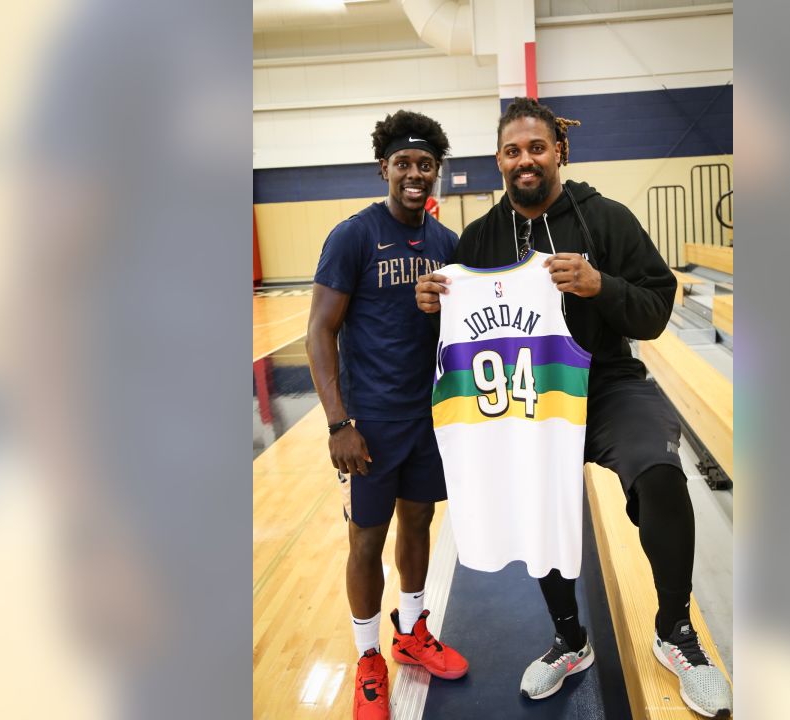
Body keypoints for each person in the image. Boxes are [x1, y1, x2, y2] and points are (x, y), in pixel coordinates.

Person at [415, 97, 733, 717]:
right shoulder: (480, 238)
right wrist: (432, 303)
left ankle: (675, 630)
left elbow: (656, 307)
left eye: (536, 147)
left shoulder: (606, 219)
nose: (525, 160)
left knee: (662, 472)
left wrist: (600, 285)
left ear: (558, 151)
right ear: (499, 161)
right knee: (539, 500)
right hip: (527, 394)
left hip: (609, 381)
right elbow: (459, 333)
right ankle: (569, 639)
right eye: (512, 151)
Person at [307, 109, 469, 720]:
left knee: (419, 524)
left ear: (436, 173)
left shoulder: (444, 244)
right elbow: (319, 332)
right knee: (366, 540)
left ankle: (413, 629)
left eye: (425, 164)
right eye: (403, 163)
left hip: (427, 420)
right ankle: (368, 655)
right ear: (384, 168)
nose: (415, 173)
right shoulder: (353, 236)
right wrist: (338, 422)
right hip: (369, 425)